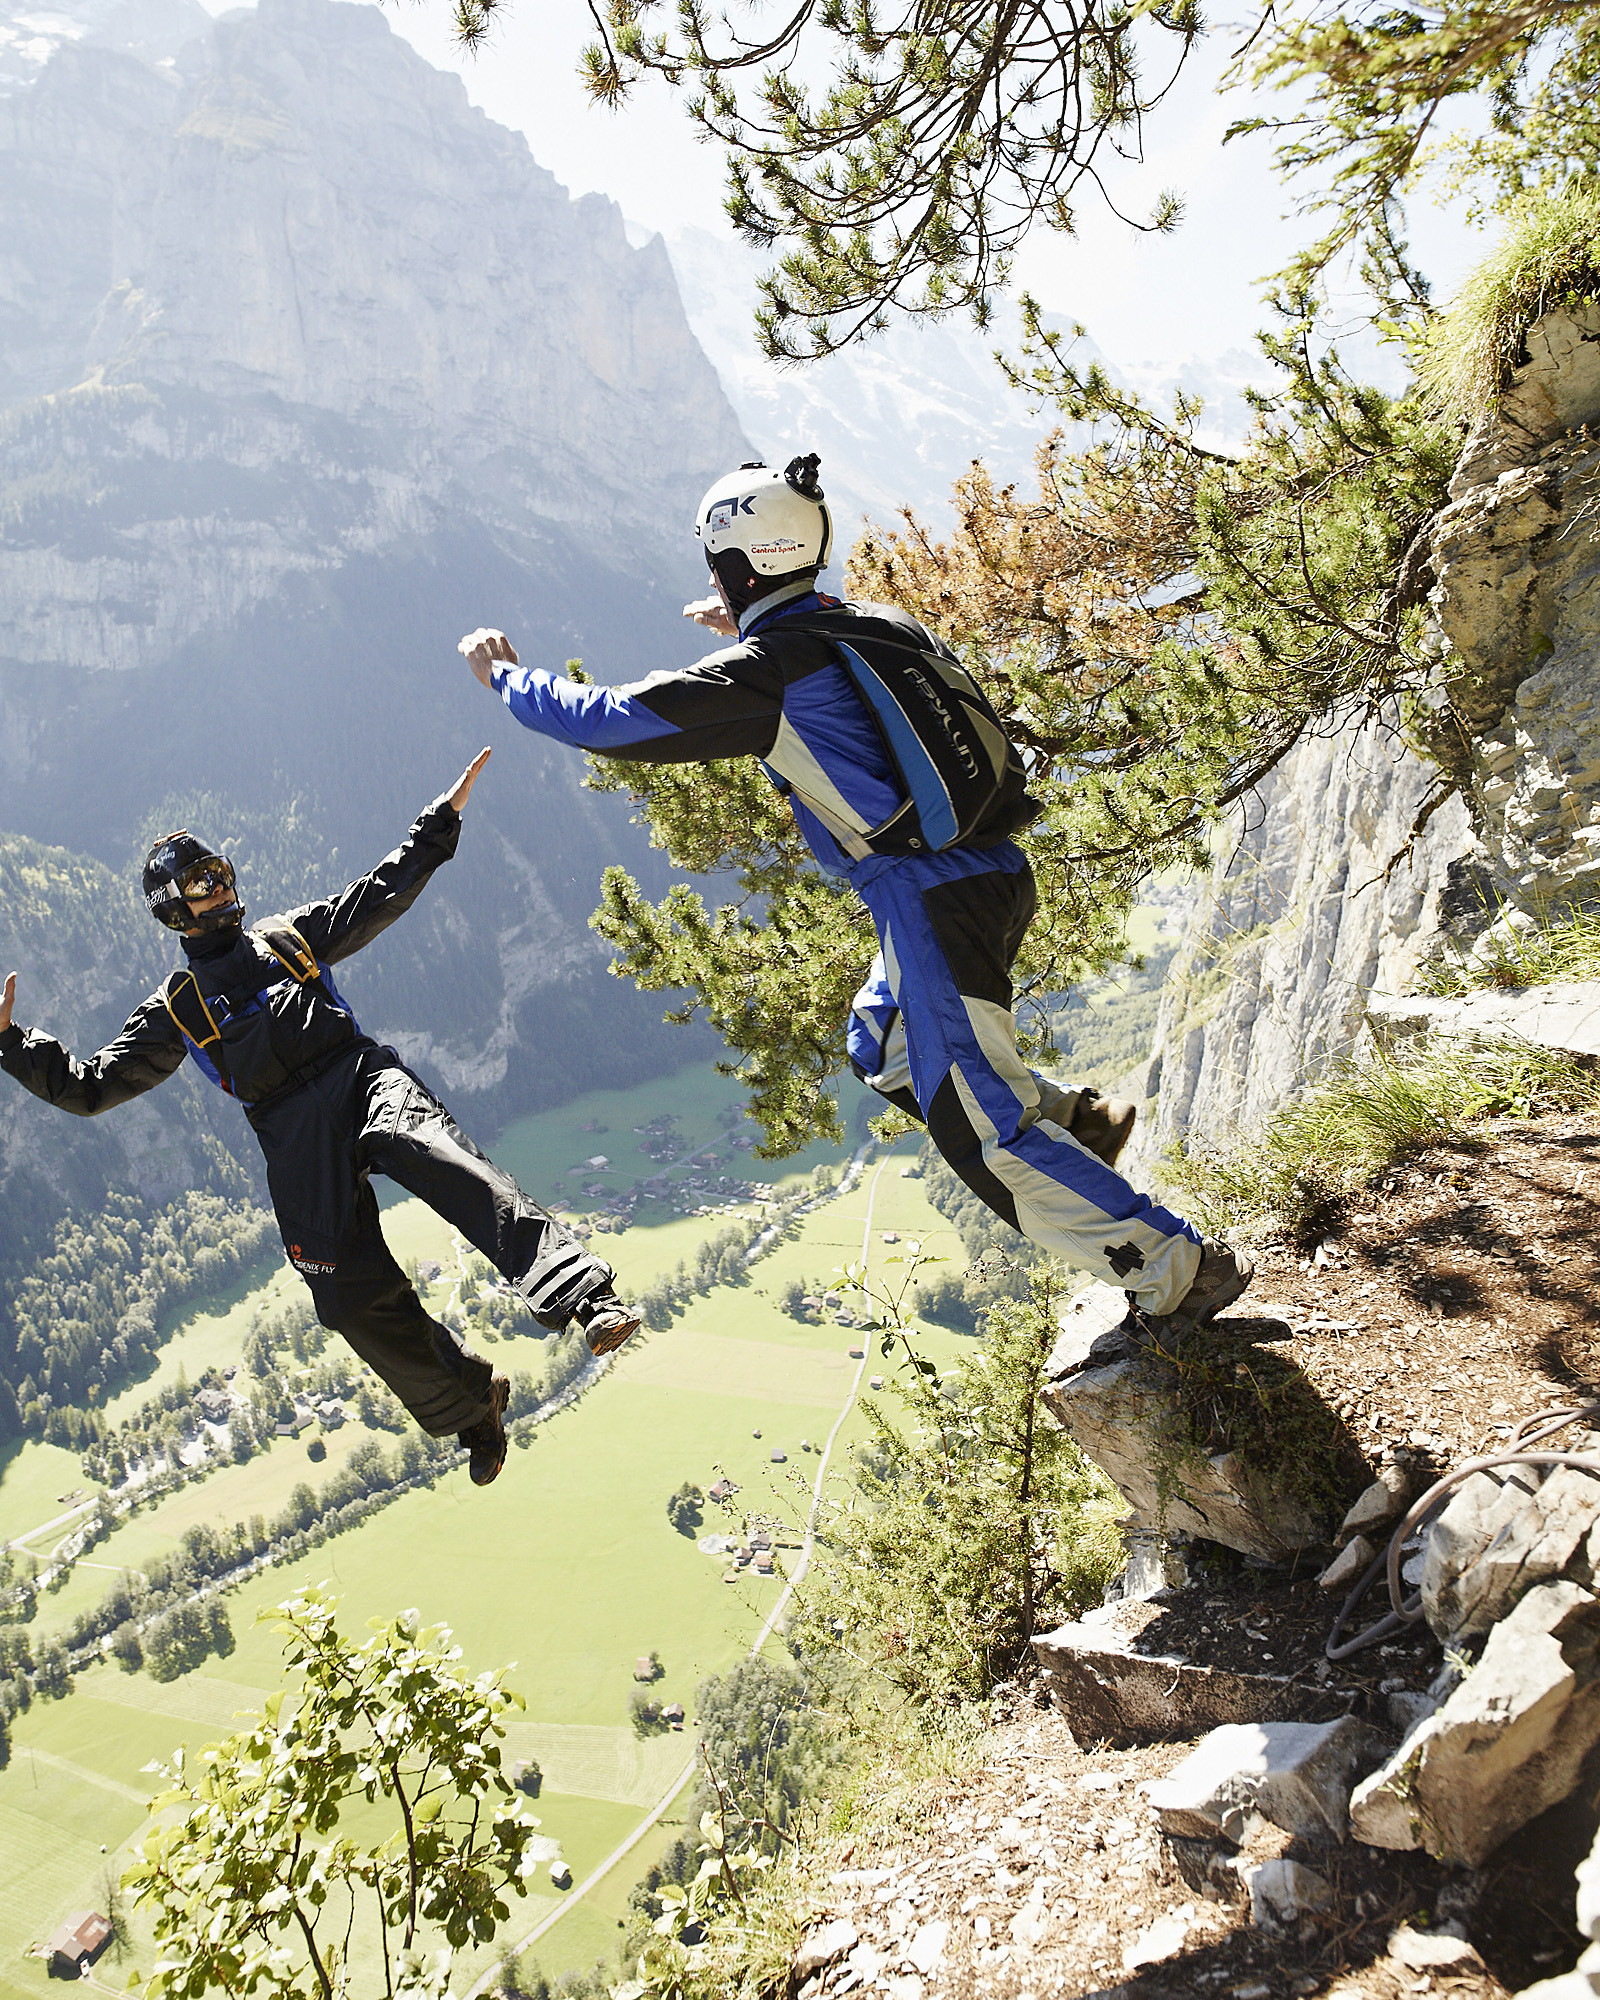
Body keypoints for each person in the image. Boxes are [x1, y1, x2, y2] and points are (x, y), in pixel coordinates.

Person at [457, 455, 1254, 1337]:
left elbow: (609, 721)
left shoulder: (769, 670)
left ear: (733, 565)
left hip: (930, 900)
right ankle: (1079, 1123)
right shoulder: (870, 626)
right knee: (883, 1044)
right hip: (984, 874)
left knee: (985, 1130)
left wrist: (508, 679)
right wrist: (752, 626)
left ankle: (1174, 1267)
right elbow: (843, 691)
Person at [0, 749, 638, 1486]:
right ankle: (473, 1405)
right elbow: (90, 1087)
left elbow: (377, 895)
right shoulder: (176, 1008)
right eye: (204, 882)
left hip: (360, 1078)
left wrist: (439, 824)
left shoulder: (286, 937)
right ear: (173, 909)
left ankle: (588, 1299)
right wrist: (12, 1045)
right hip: (289, 1134)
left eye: (224, 872)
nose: (223, 887)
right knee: (346, 1296)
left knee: (449, 1164)